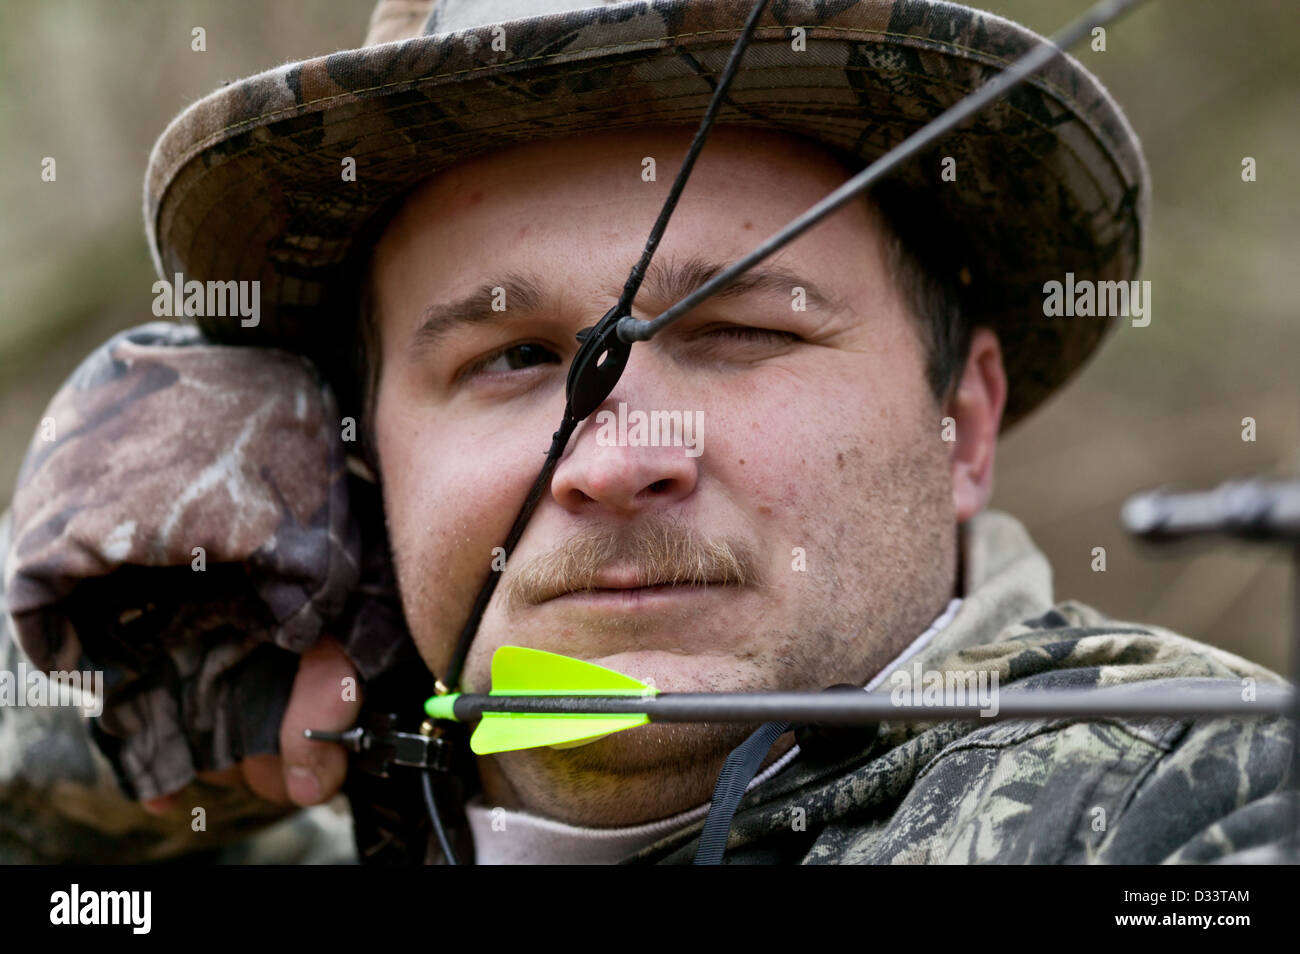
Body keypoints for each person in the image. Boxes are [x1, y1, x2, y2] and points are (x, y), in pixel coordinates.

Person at [0, 0, 1293, 864]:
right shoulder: (317, 809)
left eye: (745, 332)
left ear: (959, 421)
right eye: (510, 358)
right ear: (355, 465)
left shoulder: (1188, 802)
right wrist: (104, 687)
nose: (619, 457)